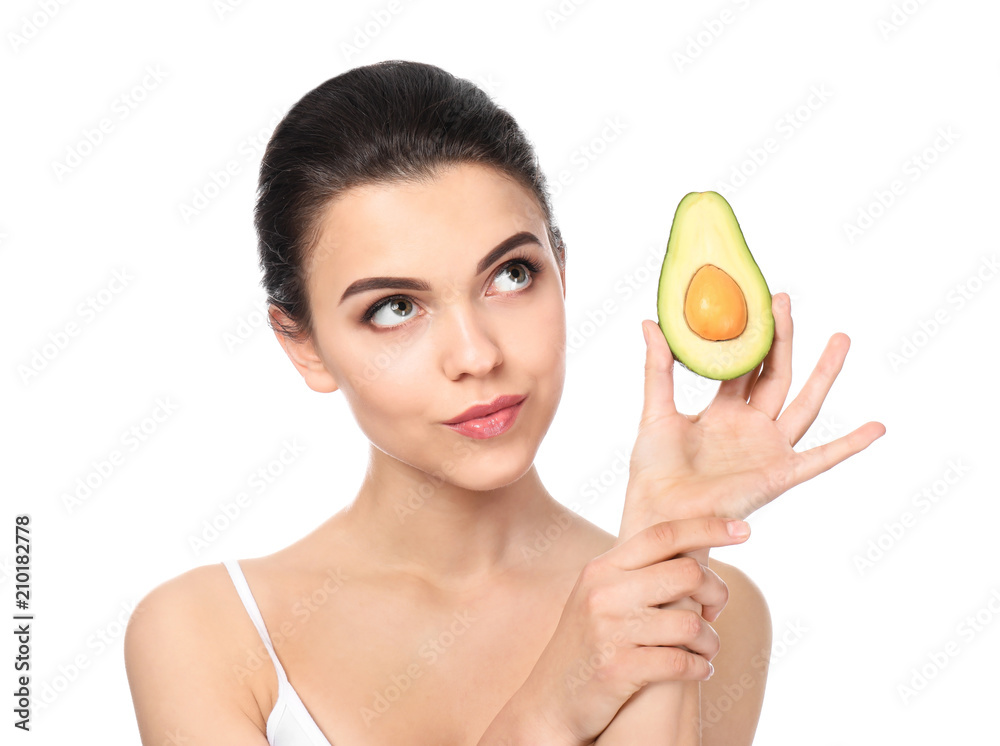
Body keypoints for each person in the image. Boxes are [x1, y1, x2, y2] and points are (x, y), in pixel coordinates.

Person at [124, 60, 885, 745]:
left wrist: (665, 539)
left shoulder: (719, 607)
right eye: (394, 307)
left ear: (561, 267)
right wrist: (547, 712)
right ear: (305, 345)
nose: (477, 354)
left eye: (511, 276)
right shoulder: (204, 633)